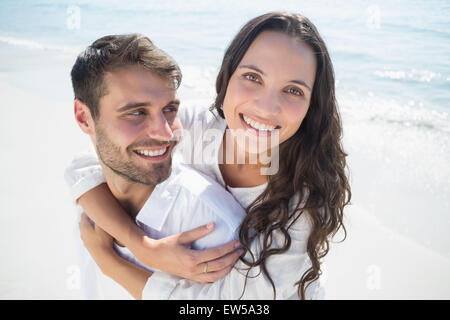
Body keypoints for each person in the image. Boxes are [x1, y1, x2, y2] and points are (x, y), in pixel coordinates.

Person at [69, 12, 351, 300]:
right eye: (252, 77)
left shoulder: (304, 204)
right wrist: (141, 246)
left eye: (293, 90)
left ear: (311, 105)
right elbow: (91, 161)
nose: (267, 107)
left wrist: (109, 262)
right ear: (227, 75)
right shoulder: (198, 127)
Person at [67, 33, 246, 299]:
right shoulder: (92, 206)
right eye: (137, 112)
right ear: (84, 118)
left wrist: (112, 262)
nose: (164, 133)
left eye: (170, 109)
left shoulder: (216, 228)